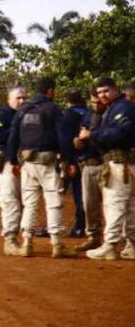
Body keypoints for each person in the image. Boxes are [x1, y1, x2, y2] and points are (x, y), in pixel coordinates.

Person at [6, 77, 76, 258]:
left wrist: (13, 160)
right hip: (48, 163)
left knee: (30, 204)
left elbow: (13, 137)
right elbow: (63, 137)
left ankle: (27, 243)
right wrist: (69, 160)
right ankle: (57, 245)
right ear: (50, 91)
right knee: (54, 202)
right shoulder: (53, 109)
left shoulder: (23, 110)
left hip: (27, 164)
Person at [79, 77, 135, 260]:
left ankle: (110, 245)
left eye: (106, 91)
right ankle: (132, 245)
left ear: (116, 89)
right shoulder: (114, 108)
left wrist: (92, 134)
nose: (102, 95)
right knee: (129, 206)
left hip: (120, 163)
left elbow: (119, 134)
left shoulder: (123, 108)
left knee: (115, 203)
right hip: (123, 163)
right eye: (99, 92)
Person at [0, 86, 27, 256]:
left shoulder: (28, 113)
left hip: (26, 162)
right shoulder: (2, 115)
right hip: (7, 161)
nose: (21, 101)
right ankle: (10, 238)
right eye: (18, 98)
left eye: (24, 98)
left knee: (26, 201)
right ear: (9, 99)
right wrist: (20, 128)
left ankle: (24, 236)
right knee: (10, 200)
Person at [72, 88, 107, 251]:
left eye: (98, 101)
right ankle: (93, 237)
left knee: (111, 204)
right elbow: (81, 133)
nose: (96, 105)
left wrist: (91, 135)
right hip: (88, 163)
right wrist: (77, 142)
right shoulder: (88, 114)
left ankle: (112, 240)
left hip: (106, 164)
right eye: (93, 101)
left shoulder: (111, 114)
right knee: (89, 204)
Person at [63, 89, 88, 238]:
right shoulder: (88, 112)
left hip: (72, 160)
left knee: (58, 193)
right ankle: (83, 226)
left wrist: (69, 162)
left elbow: (66, 141)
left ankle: (77, 227)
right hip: (88, 159)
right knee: (84, 195)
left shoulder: (68, 115)